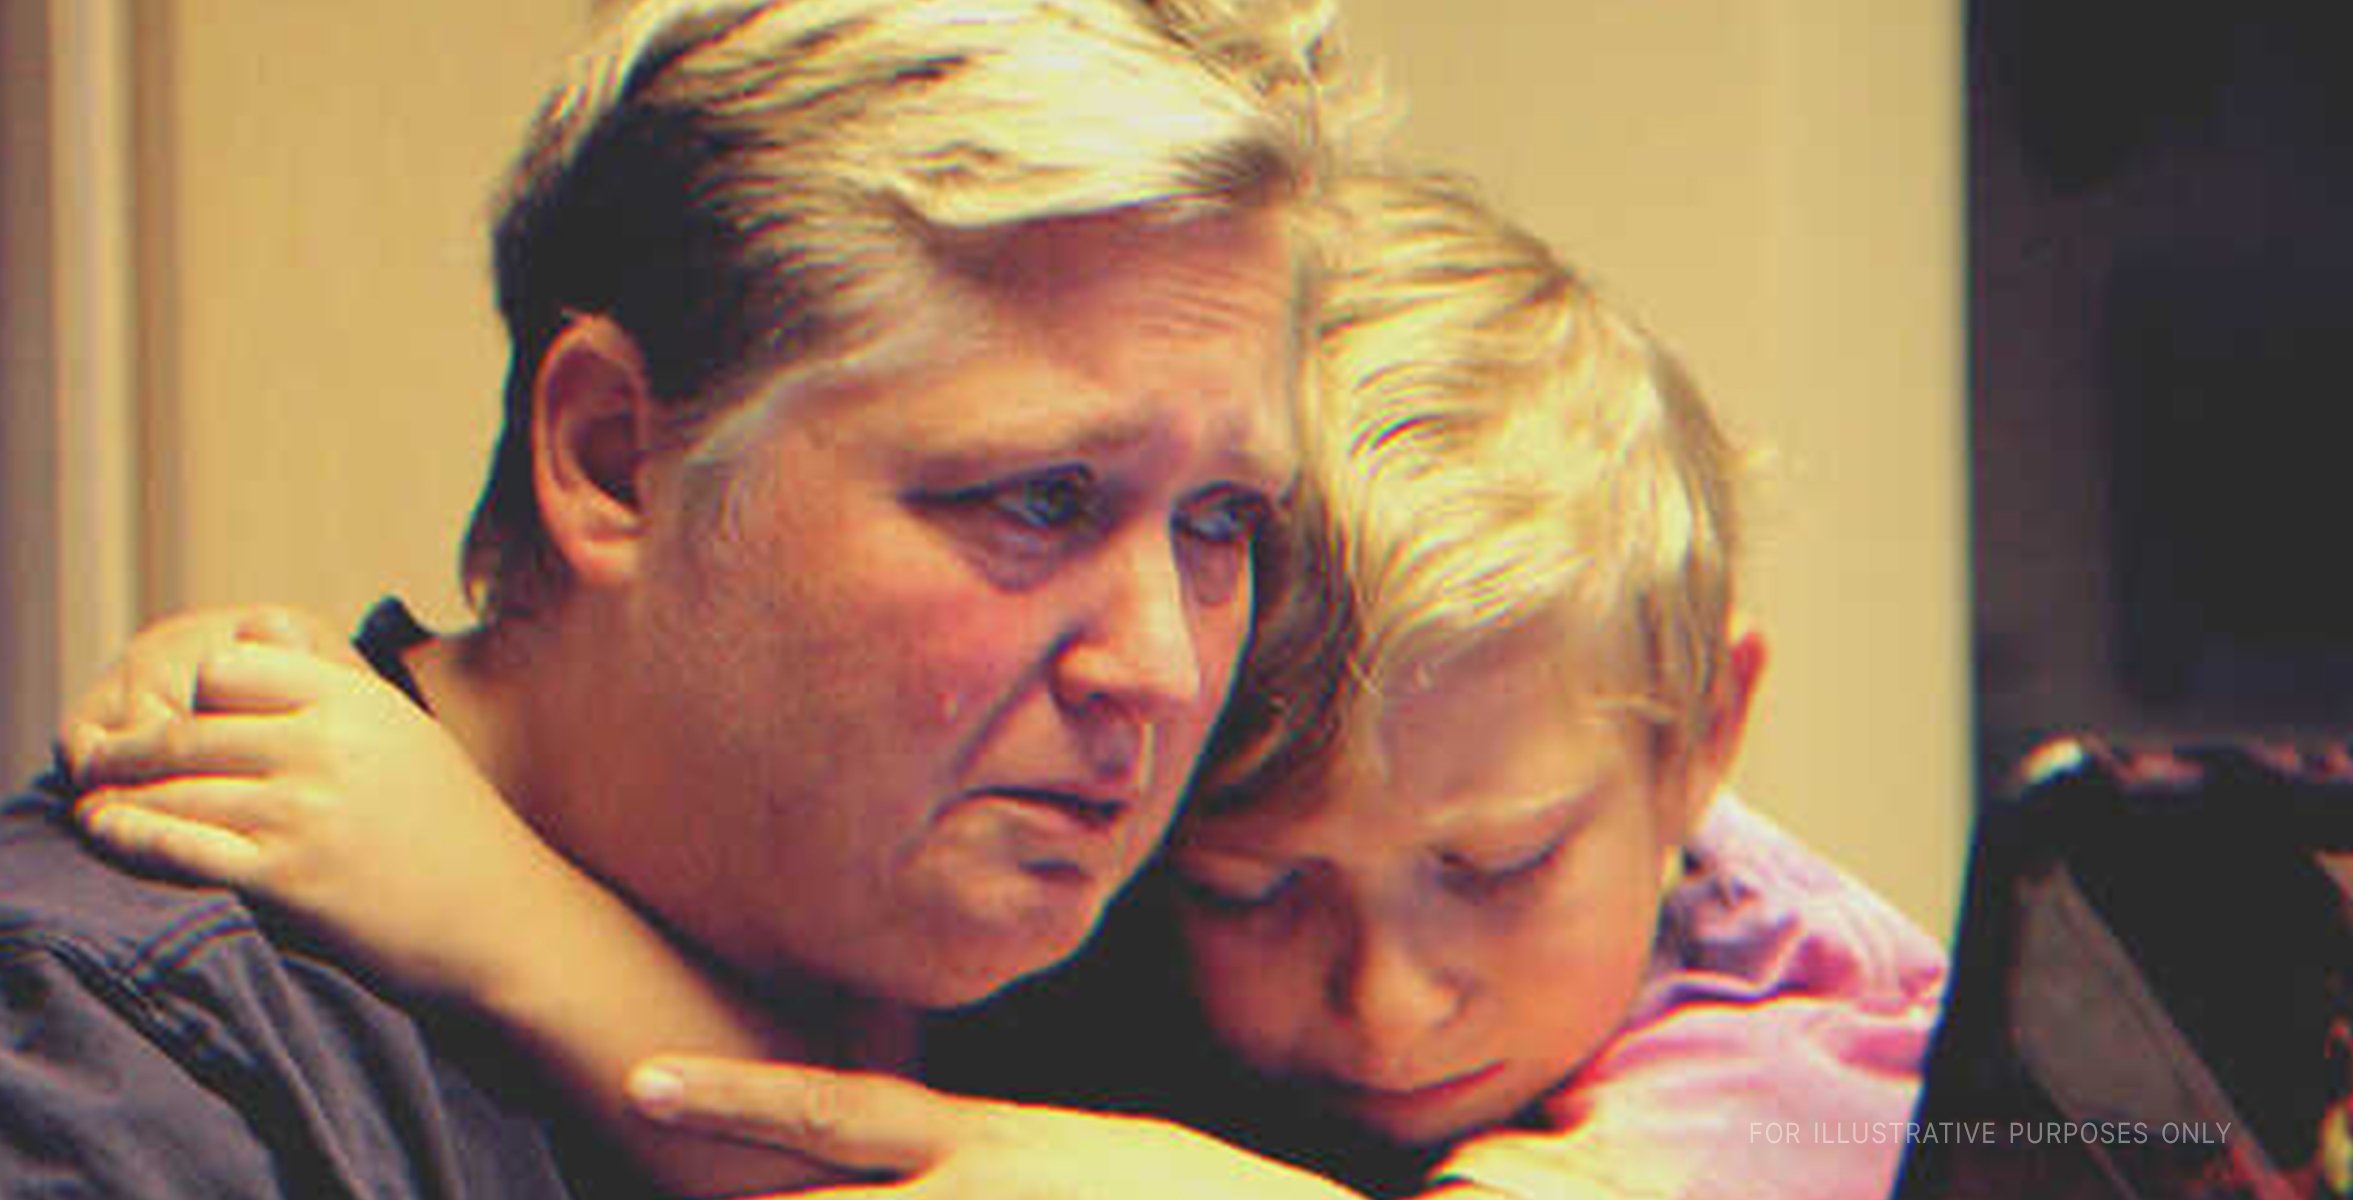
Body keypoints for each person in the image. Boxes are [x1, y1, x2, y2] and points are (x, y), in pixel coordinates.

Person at [58, 170, 1946, 1198]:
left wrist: (486, 917)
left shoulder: (1817, 1064)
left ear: (1705, 743)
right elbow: (829, 1120)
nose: (1387, 1002)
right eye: (1254, 886)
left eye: (1504, 866)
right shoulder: (1088, 886)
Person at [0, 0, 1339, 1194]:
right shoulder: (137, 1066)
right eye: (1040, 499)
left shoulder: (1249, 968)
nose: (1162, 667)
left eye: (1220, 524)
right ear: (612, 460)